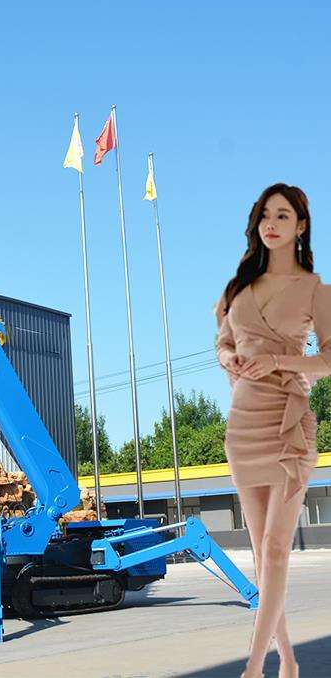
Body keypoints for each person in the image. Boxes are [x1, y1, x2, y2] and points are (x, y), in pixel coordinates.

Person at [214, 183, 331, 678]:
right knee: (262, 553)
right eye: (265, 215)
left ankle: (254, 666)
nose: (272, 223)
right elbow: (222, 343)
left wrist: (278, 362)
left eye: (283, 215)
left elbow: (328, 360)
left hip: (287, 423)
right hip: (244, 423)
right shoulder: (238, 288)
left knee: (278, 548)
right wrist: (231, 360)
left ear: (300, 226)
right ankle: (288, 659)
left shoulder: (316, 291)